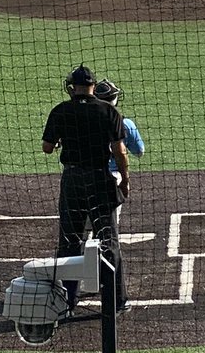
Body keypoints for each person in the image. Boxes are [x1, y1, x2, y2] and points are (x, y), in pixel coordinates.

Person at [42, 65, 130, 313]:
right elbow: (119, 151)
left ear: (72, 86)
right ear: (93, 86)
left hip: (72, 182)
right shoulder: (108, 110)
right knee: (108, 239)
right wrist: (125, 179)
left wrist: (62, 140)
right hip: (100, 180)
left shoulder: (60, 111)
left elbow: (47, 147)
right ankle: (116, 301)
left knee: (70, 239)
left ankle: (68, 300)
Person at [93, 79, 144, 224]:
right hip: (113, 178)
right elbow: (140, 152)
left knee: (83, 229)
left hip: (85, 175)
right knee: (109, 226)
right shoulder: (126, 124)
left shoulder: (81, 121)